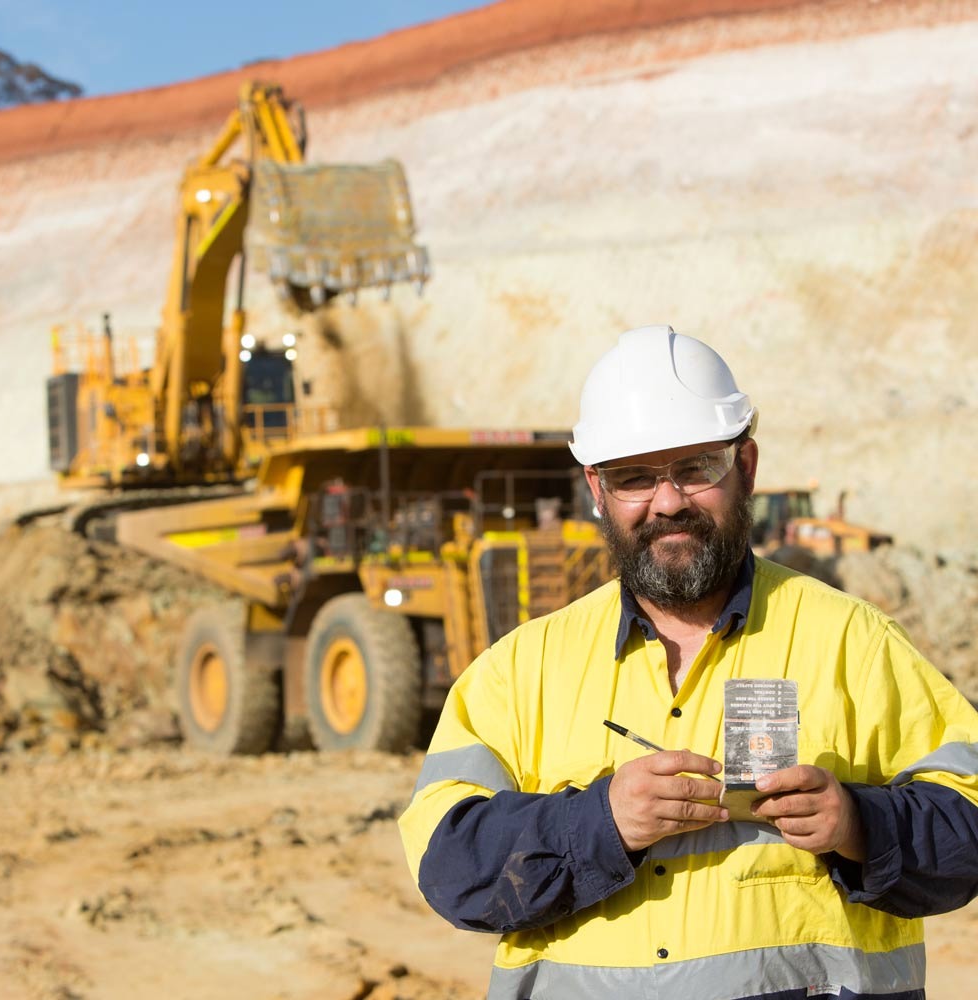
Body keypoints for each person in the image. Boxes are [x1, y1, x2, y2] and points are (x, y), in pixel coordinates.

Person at [398, 324, 978, 1000]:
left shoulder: (854, 642)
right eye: (634, 477)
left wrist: (858, 826)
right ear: (597, 489)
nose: (668, 501)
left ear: (748, 468)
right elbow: (448, 862)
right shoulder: (521, 669)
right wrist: (600, 824)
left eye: (698, 467)